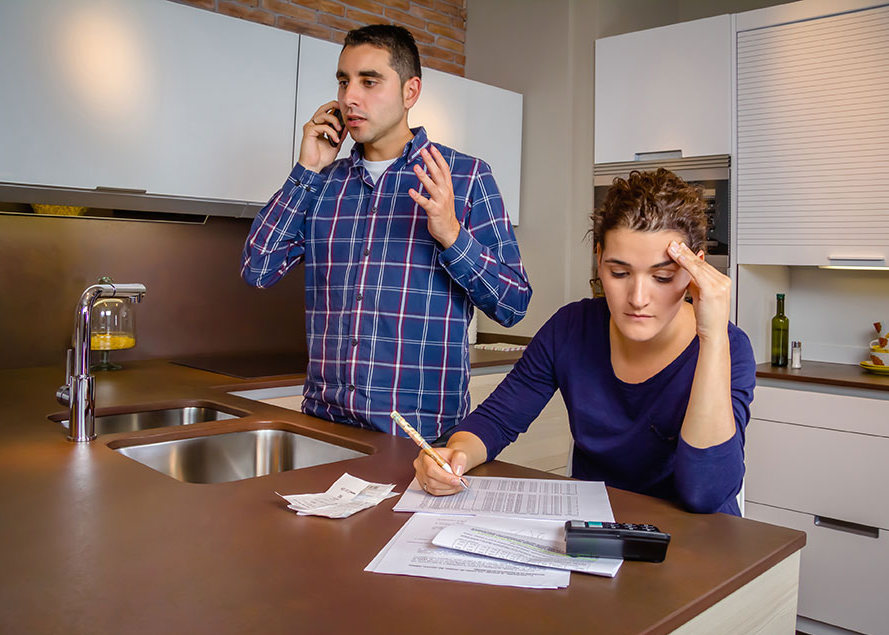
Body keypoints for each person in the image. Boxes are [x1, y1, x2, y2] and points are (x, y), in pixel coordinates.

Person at [241, 24, 531, 439]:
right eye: (344, 81)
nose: (349, 98)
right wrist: (306, 169)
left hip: (422, 437)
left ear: (410, 92)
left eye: (369, 81)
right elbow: (258, 268)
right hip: (324, 428)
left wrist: (451, 234)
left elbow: (513, 304)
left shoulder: (465, 178)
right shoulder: (323, 182)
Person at [414, 169, 755, 515]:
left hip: (697, 547)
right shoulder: (571, 328)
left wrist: (711, 339)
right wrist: (454, 455)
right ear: (599, 257)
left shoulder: (729, 347)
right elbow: (498, 420)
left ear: (695, 269)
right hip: (596, 533)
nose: (638, 298)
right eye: (619, 273)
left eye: (662, 277)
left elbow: (706, 494)